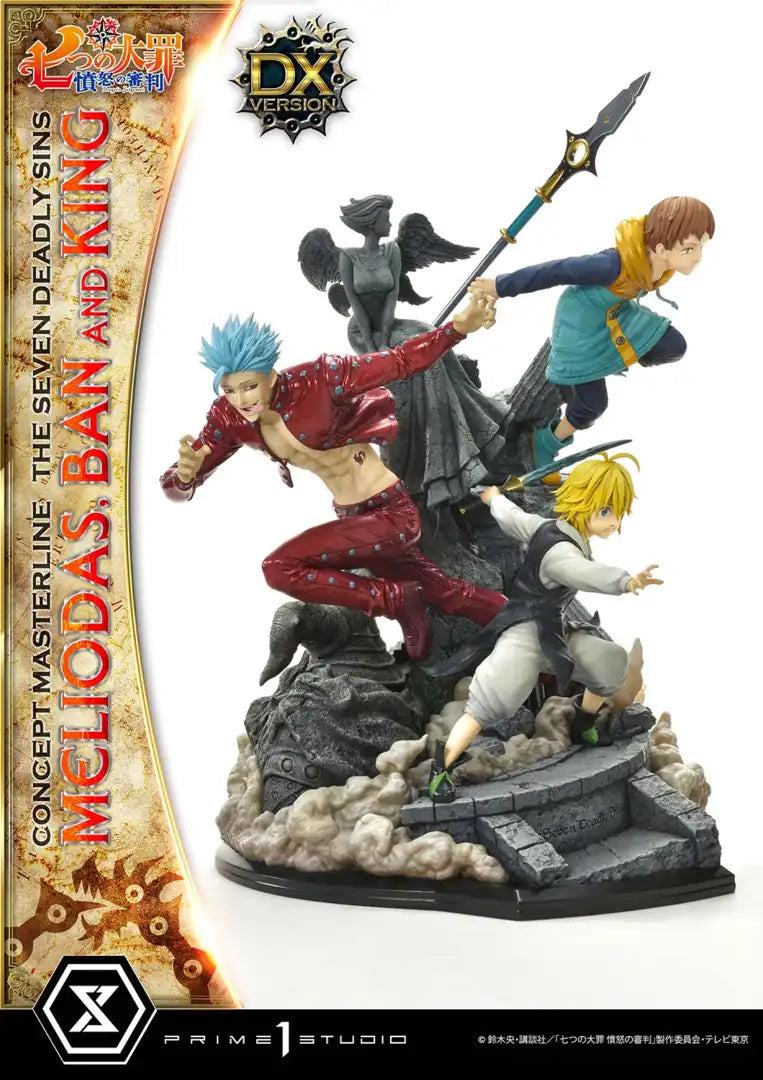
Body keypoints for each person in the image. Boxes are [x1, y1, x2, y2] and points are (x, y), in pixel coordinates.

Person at [160, 291, 507, 661]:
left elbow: (400, 361)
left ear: (269, 374)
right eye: (230, 390)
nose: (242, 400)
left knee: (279, 567)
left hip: (391, 513)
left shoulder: (322, 378)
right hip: (352, 518)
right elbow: (177, 482)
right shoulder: (229, 418)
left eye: (249, 386)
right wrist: (184, 477)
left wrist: (455, 330)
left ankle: (393, 599)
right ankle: (524, 624)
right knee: (448, 594)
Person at [425, 453, 661, 803]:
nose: (614, 522)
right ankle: (440, 768)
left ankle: (582, 724)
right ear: (582, 503)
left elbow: (513, 517)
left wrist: (493, 498)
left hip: (556, 630)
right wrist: (626, 581)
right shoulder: (561, 552)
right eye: (606, 511)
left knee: (608, 660)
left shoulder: (545, 527)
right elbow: (584, 573)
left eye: (617, 512)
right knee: (489, 702)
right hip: (525, 634)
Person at [471, 196, 714, 467]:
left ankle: (607, 360)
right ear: (661, 248)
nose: (698, 258)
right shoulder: (612, 265)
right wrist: (501, 286)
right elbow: (556, 271)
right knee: (592, 405)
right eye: (689, 249)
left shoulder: (661, 265)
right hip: (581, 322)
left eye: (701, 247)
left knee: (673, 346)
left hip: (615, 313)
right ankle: (543, 442)